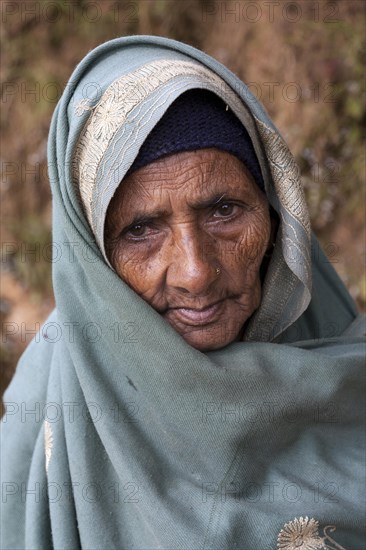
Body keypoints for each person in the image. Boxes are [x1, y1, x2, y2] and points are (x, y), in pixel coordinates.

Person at [1, 36, 364, 550]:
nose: (195, 273)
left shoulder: (333, 349)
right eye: (141, 230)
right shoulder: (43, 409)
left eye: (223, 211)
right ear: (92, 254)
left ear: (274, 211)